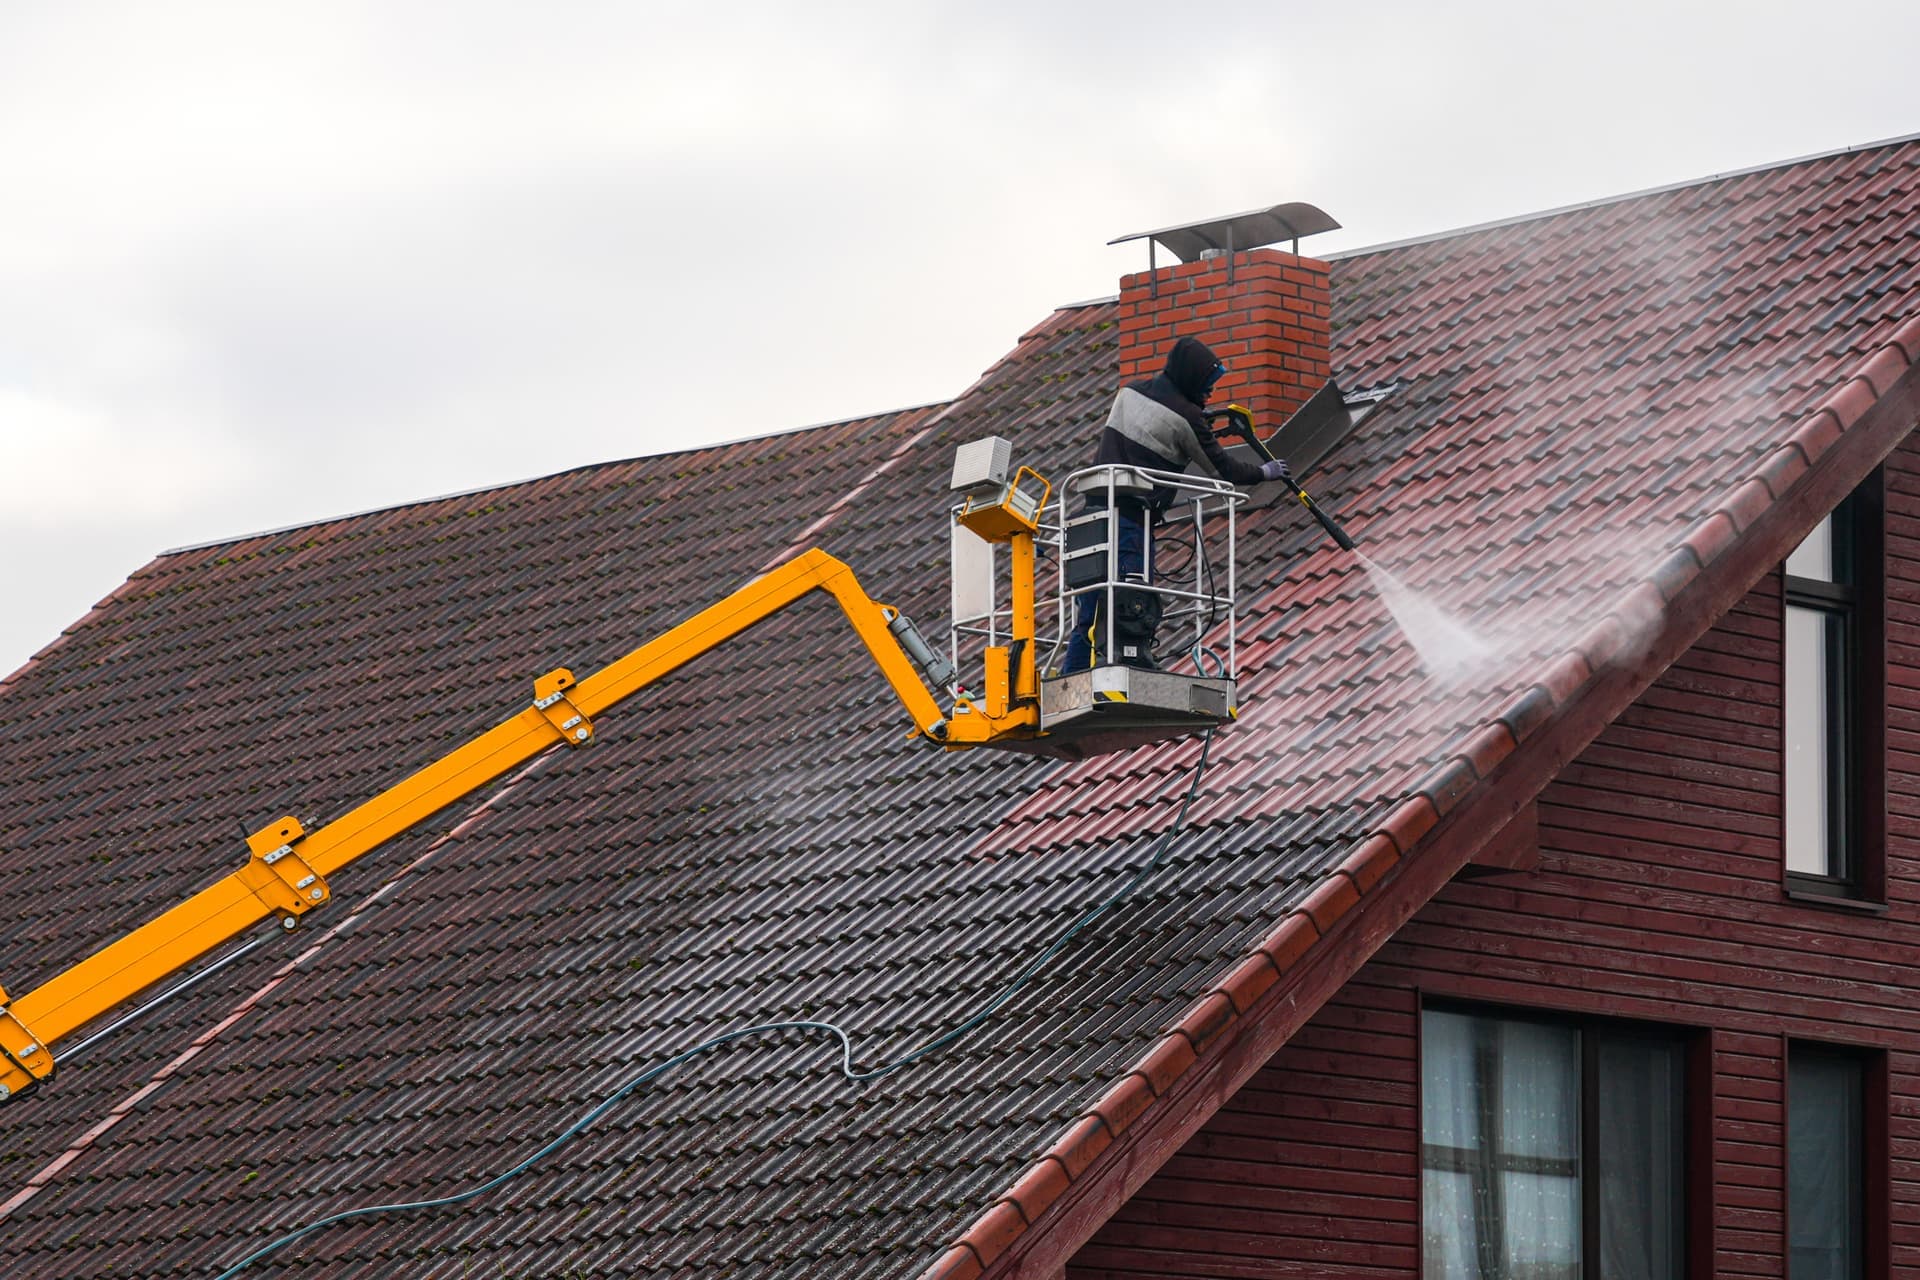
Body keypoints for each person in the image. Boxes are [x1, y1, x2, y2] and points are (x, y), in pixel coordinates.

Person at [1060, 335, 1290, 673]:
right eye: (1207, 384)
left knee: (1092, 609)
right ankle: (1129, 669)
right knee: (1129, 602)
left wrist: (1200, 422)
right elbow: (1223, 469)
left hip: (1090, 519)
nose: (1210, 392)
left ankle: (1072, 675)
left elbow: (1153, 426)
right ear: (1191, 378)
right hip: (1130, 521)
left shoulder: (1130, 392)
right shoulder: (1188, 418)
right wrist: (1263, 472)